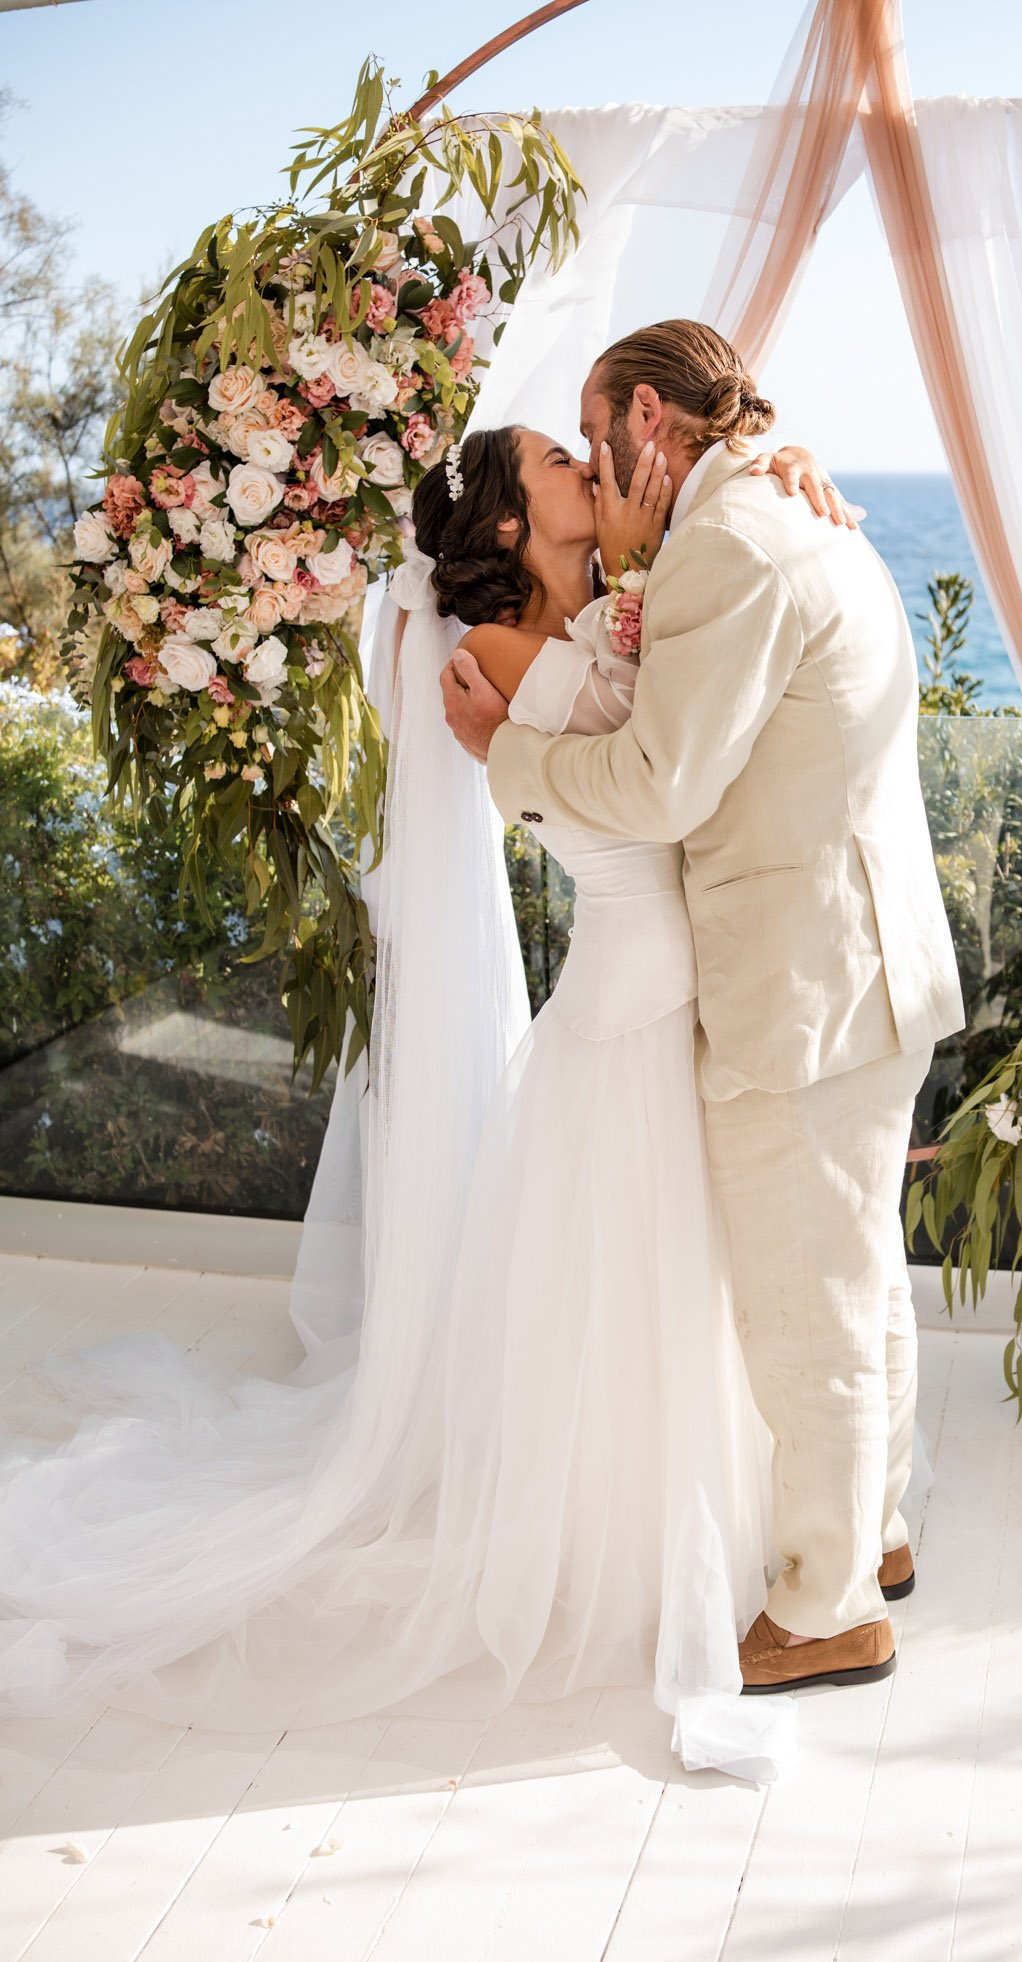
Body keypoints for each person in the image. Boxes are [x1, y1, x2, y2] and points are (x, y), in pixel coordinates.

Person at [0, 411, 848, 1783]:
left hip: (667, 983)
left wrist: (778, 461)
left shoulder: (621, 600)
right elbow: (653, 793)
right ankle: (646, 1535)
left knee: (684, 1271)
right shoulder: (505, 655)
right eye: (559, 466)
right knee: (647, 1274)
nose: (589, 467)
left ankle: (748, 1503)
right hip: (635, 993)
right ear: (508, 527)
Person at [443, 319, 966, 1694]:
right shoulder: (763, 514)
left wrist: (509, 762)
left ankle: (823, 1608)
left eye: (596, 434)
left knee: (810, 1312)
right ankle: (875, 1534)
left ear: (654, 426)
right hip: (847, 963)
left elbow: (665, 786)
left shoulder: (736, 539)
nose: (599, 473)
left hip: (803, 981)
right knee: (851, 1283)